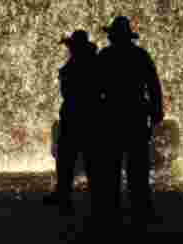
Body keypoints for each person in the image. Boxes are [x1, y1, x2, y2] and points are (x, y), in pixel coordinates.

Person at [93, 16, 164, 223]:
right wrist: (156, 111)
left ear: (113, 37)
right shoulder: (140, 55)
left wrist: (96, 114)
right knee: (138, 166)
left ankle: (111, 209)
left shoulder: (105, 56)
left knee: (111, 166)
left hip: (112, 116)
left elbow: (95, 88)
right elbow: (154, 86)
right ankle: (141, 208)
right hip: (136, 115)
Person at [44, 30, 99, 214]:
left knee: (68, 159)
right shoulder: (94, 61)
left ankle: (64, 195)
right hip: (89, 117)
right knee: (89, 158)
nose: (69, 49)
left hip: (76, 117)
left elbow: (69, 90)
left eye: (71, 46)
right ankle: (97, 197)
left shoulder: (80, 63)